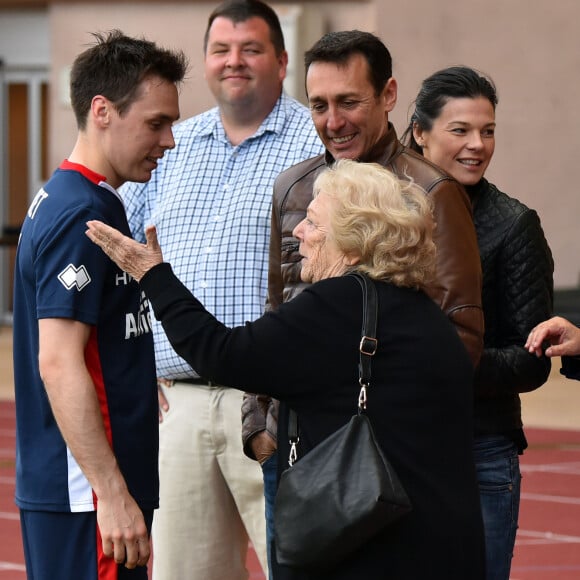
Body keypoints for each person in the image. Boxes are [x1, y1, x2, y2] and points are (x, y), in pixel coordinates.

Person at [87, 158, 486, 580]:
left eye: (313, 222)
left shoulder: (338, 303)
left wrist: (153, 275)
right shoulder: (425, 314)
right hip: (444, 545)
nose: (298, 232)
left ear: (352, 243)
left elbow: (221, 353)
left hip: (374, 550)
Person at [241, 29, 484, 530]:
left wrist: (393, 430)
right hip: (292, 447)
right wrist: (259, 428)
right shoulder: (293, 187)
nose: (333, 122)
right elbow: (274, 307)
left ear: (389, 95)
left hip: (381, 457)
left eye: (349, 101)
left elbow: (461, 336)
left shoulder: (430, 191)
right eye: (319, 105)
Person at [119, 1, 323, 578]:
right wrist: (135, 359)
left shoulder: (318, 143)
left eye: (251, 49)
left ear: (282, 62)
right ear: (205, 63)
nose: (234, 62)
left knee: (303, 565)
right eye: (221, 50)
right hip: (178, 407)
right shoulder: (169, 149)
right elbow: (119, 256)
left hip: (276, 404)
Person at [11, 30, 187, 580]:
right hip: (86, 497)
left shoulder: (94, 199)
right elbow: (59, 360)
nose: (170, 141)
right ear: (102, 110)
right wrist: (110, 494)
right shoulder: (76, 212)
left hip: (96, 489)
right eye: (156, 123)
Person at [402, 65, 554, 580]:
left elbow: (530, 361)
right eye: (461, 130)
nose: (478, 145)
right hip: (393, 445)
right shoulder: (380, 211)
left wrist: (437, 368)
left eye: (488, 130)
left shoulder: (513, 225)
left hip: (480, 448)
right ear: (420, 132)